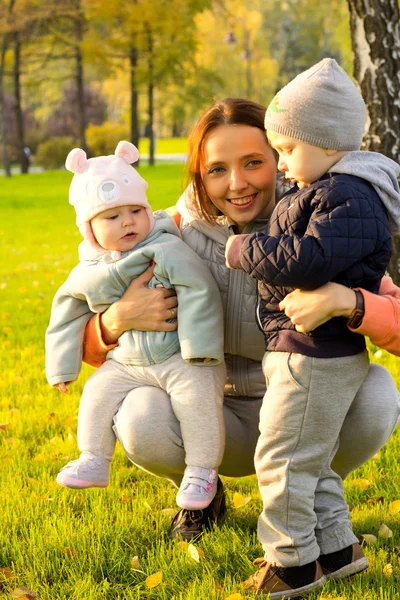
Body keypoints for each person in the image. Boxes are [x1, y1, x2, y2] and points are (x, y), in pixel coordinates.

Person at [81, 97, 400, 583]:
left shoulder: (319, 230)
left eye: (254, 162)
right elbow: (77, 337)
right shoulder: (167, 235)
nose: (238, 183)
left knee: (378, 394)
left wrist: (350, 302)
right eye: (217, 169)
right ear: (198, 177)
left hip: (299, 405)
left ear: (279, 157)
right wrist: (113, 320)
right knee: (140, 414)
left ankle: (305, 495)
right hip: (213, 416)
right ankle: (201, 491)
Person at [225, 59, 400, 597]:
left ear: (327, 144)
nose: (280, 164)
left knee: (282, 460)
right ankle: (337, 548)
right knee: (312, 458)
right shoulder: (329, 191)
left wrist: (245, 246)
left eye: (286, 149)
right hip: (307, 350)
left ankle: (291, 563)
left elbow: (309, 259)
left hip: (314, 354)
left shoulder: (346, 196)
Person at [46, 141, 226, 511]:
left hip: (179, 356)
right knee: (97, 393)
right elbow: (65, 312)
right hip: (127, 361)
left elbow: (198, 288)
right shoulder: (88, 271)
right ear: (90, 230)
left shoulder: (164, 248)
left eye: (135, 210)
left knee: (199, 400)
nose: (128, 221)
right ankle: (94, 458)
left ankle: (202, 470)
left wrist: (199, 347)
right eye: (112, 217)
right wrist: (62, 367)